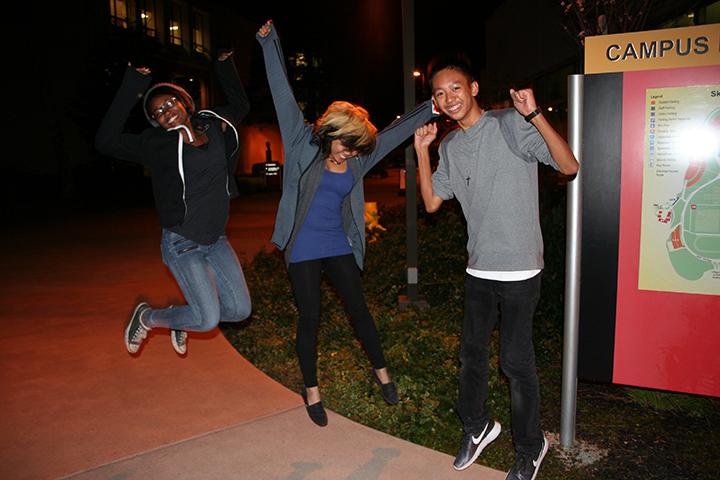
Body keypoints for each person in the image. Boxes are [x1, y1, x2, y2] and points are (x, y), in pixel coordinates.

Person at [256, 20, 436, 427]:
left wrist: (432, 107)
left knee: (360, 311)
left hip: (337, 243)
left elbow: (394, 133)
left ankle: (383, 374)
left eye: (357, 149)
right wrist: (270, 43)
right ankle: (312, 390)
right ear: (329, 132)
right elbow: (282, 94)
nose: (352, 154)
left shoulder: (358, 157)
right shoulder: (303, 145)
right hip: (302, 245)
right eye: (347, 145)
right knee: (311, 317)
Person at [413, 55, 578, 480]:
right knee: (471, 358)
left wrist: (535, 115)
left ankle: (530, 446)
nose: (447, 98)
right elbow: (432, 202)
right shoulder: (449, 146)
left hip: (521, 268)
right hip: (479, 269)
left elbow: (569, 165)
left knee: (515, 363)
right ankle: (479, 425)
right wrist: (421, 152)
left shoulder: (509, 124)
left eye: (454, 88)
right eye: (438, 93)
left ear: (472, 89)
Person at [95, 49, 252, 356]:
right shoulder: (157, 145)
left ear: (184, 102)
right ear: (156, 122)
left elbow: (241, 105)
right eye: (158, 112)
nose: (166, 111)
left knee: (238, 310)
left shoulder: (213, 124)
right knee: (207, 320)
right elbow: (106, 141)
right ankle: (147, 317)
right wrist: (132, 85)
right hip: (182, 242)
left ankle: (182, 319)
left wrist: (223, 67)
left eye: (169, 103)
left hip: (216, 239)